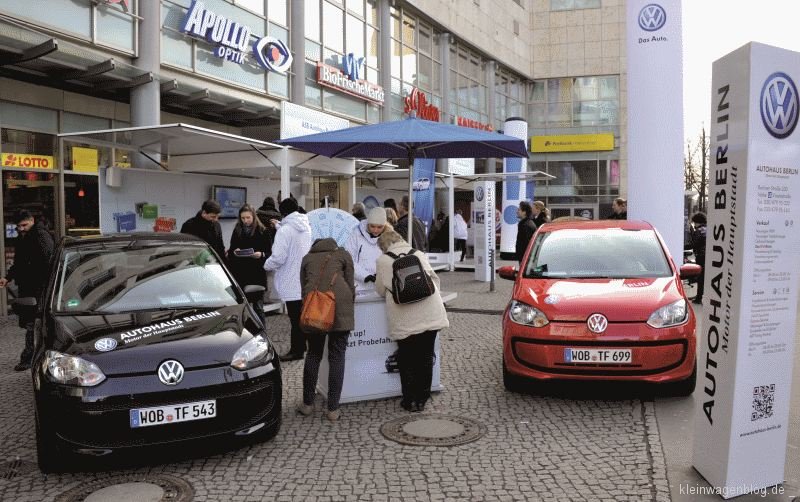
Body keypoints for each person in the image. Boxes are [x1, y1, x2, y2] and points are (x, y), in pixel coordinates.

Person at [375, 229, 449, 412]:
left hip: (404, 318)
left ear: (383, 246)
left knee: (407, 358)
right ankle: (422, 399)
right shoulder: (418, 254)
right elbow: (435, 280)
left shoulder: (383, 261)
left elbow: (380, 290)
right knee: (425, 357)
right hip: (430, 313)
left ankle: (409, 400)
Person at [296, 238, 355, 422]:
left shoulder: (307, 258)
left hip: (315, 310)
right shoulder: (344, 255)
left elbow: (303, 287)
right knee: (337, 356)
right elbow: (351, 285)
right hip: (340, 307)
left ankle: (307, 404)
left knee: (313, 354)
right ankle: (333, 409)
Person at [0, 210, 55, 371]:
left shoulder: (39, 236)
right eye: (19, 226)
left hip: (37, 289)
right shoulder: (25, 237)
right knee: (33, 324)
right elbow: (20, 263)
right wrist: (8, 277)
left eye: (24, 225)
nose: (21, 229)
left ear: (31, 220)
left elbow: (46, 262)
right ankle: (33, 356)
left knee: (33, 324)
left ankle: (30, 357)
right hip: (31, 288)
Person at [264, 198, 313, 361]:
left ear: (282, 212)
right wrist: (279, 225)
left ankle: (296, 351)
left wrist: (265, 264)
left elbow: (278, 257)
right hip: (303, 278)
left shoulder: (285, 231)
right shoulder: (304, 226)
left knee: (294, 319)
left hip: (290, 280)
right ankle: (303, 346)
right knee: (301, 316)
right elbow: (292, 235)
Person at [227, 205, 270, 320]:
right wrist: (234, 251)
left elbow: (269, 252)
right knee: (241, 307)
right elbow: (231, 249)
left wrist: (261, 254)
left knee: (258, 307)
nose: (245, 221)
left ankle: (261, 331)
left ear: (254, 216)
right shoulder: (237, 230)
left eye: (248, 218)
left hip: (256, 274)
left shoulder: (262, 231)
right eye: (243, 218)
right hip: (240, 273)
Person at [345, 207, 388, 290]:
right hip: (359, 286)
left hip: (380, 286)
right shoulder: (355, 234)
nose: (375, 230)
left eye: (379, 227)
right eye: (372, 226)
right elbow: (349, 259)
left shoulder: (389, 237)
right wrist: (366, 275)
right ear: (368, 223)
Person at [689, 212, 707, 304]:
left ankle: (699, 298)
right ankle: (701, 295)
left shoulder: (698, 231)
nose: (694, 224)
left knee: (700, 278)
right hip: (708, 257)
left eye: (695, 222)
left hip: (701, 256)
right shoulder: (708, 229)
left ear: (697, 222)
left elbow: (693, 244)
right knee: (705, 278)